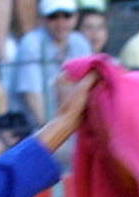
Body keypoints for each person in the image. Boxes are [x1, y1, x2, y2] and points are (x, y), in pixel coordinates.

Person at [12, 0, 91, 128]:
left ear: (76, 17)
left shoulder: (80, 43)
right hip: (34, 128)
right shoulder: (31, 43)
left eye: (67, 15)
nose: (61, 23)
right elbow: (32, 96)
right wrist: (51, 133)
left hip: (70, 124)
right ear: (42, 19)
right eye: (53, 17)